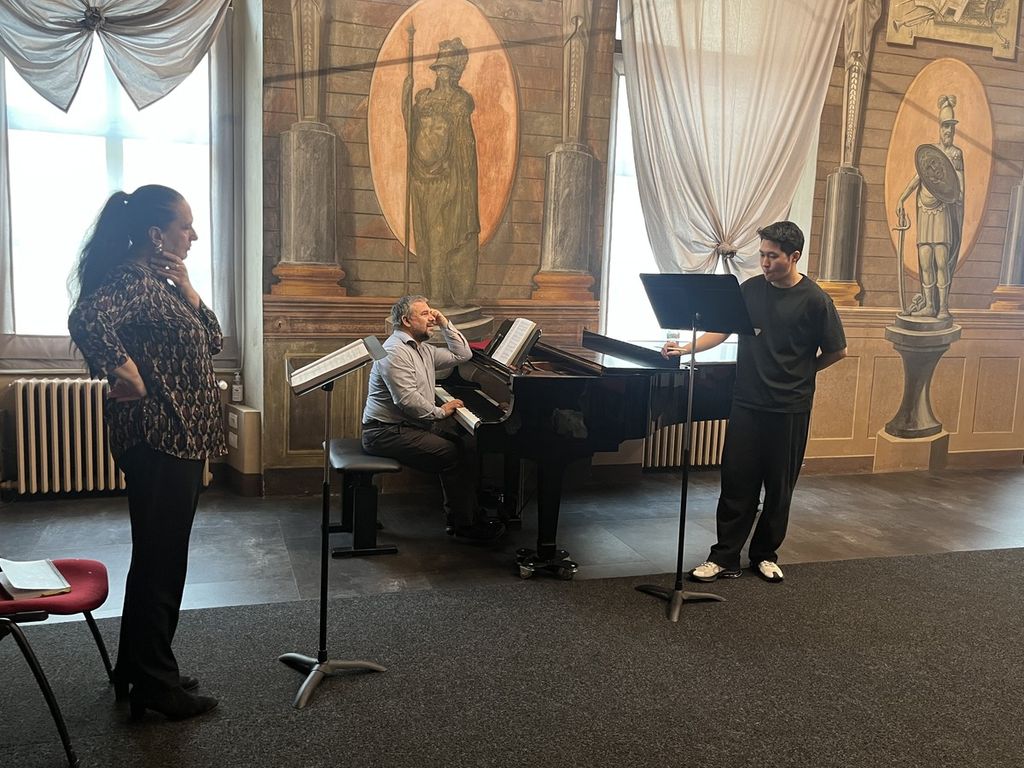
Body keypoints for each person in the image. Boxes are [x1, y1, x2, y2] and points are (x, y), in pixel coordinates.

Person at [68, 185, 223, 720]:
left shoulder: (161, 284)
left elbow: (214, 341)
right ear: (157, 234)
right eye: (186, 225)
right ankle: (156, 684)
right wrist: (128, 373)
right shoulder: (130, 281)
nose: (193, 235)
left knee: (157, 557)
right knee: (162, 562)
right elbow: (86, 319)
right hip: (160, 439)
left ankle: (138, 666)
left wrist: (189, 289)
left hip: (180, 440)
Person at [663, 221, 847, 583]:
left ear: (794, 256)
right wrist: (685, 349)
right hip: (747, 402)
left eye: (772, 256)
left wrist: (804, 372)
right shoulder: (748, 290)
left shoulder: (816, 300)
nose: (764, 262)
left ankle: (764, 555)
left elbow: (837, 350)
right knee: (736, 484)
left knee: (779, 489)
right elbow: (721, 329)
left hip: (790, 407)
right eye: (762, 254)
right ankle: (724, 556)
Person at [361, 295, 504, 542]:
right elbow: (406, 400)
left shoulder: (423, 349)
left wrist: (445, 322)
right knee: (452, 454)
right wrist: (440, 412)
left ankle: (465, 516)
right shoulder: (394, 351)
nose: (432, 318)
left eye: (431, 313)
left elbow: (463, 355)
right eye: (425, 314)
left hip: (407, 427)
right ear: (406, 321)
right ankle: (465, 525)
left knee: (465, 445)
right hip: (384, 432)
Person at [404, 38, 480, 307]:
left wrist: (461, 184)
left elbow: (464, 147)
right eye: (440, 68)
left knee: (439, 235)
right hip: (421, 178)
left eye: (448, 68)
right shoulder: (423, 98)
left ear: (456, 70)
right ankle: (432, 292)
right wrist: (405, 100)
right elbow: (412, 130)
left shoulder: (460, 101)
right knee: (426, 235)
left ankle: (439, 295)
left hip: (448, 179)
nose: (443, 74)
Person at [896, 95, 964, 321]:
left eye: (951, 127)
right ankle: (929, 305)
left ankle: (943, 307)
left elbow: (959, 187)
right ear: (939, 127)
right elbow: (918, 178)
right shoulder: (930, 153)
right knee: (925, 260)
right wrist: (902, 199)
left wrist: (955, 194)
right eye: (945, 126)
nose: (948, 131)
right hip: (925, 211)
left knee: (941, 261)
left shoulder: (955, 154)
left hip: (942, 212)